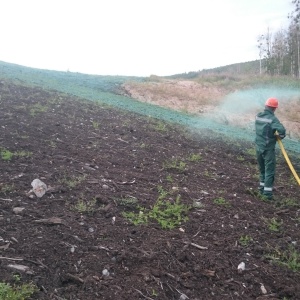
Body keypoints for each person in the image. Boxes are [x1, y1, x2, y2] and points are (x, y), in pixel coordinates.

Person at [255, 97, 286, 200]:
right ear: (274, 108)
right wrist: (278, 137)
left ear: (265, 106)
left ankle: (261, 189)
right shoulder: (272, 119)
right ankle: (267, 195)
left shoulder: (258, 116)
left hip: (259, 147)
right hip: (268, 149)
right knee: (269, 171)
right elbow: (282, 130)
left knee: (262, 169)